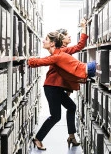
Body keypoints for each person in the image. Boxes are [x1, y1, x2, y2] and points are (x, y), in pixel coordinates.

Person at [30, 20, 90, 150]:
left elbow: (79, 47)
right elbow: (43, 61)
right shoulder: (60, 52)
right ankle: (38, 138)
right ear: (61, 38)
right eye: (67, 35)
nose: (70, 37)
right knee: (56, 116)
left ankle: (71, 136)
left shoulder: (60, 52)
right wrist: (27, 61)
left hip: (57, 87)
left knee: (71, 107)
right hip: (52, 86)